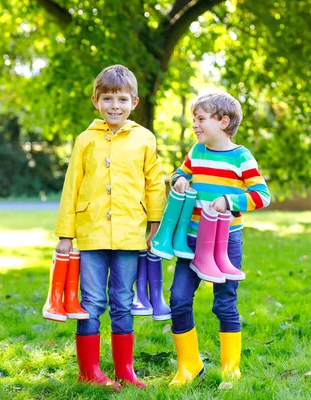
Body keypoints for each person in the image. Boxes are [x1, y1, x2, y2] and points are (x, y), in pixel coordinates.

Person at [54, 64, 166, 390]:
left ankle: (125, 371)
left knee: (123, 299)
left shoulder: (144, 139)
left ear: (134, 101)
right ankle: (88, 372)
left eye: (121, 98)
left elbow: (154, 185)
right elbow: (71, 186)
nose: (114, 105)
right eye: (107, 99)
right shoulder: (85, 140)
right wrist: (65, 234)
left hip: (131, 233)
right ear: (95, 101)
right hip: (91, 235)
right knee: (90, 302)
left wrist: (155, 224)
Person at [167, 91, 271, 386]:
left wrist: (229, 200)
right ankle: (189, 365)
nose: (195, 125)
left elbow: (262, 195)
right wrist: (179, 179)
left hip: (225, 243)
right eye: (194, 120)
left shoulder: (241, 157)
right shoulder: (196, 153)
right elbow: (178, 173)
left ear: (223, 122)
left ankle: (230, 369)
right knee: (179, 298)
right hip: (190, 241)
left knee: (225, 302)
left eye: (200, 119)